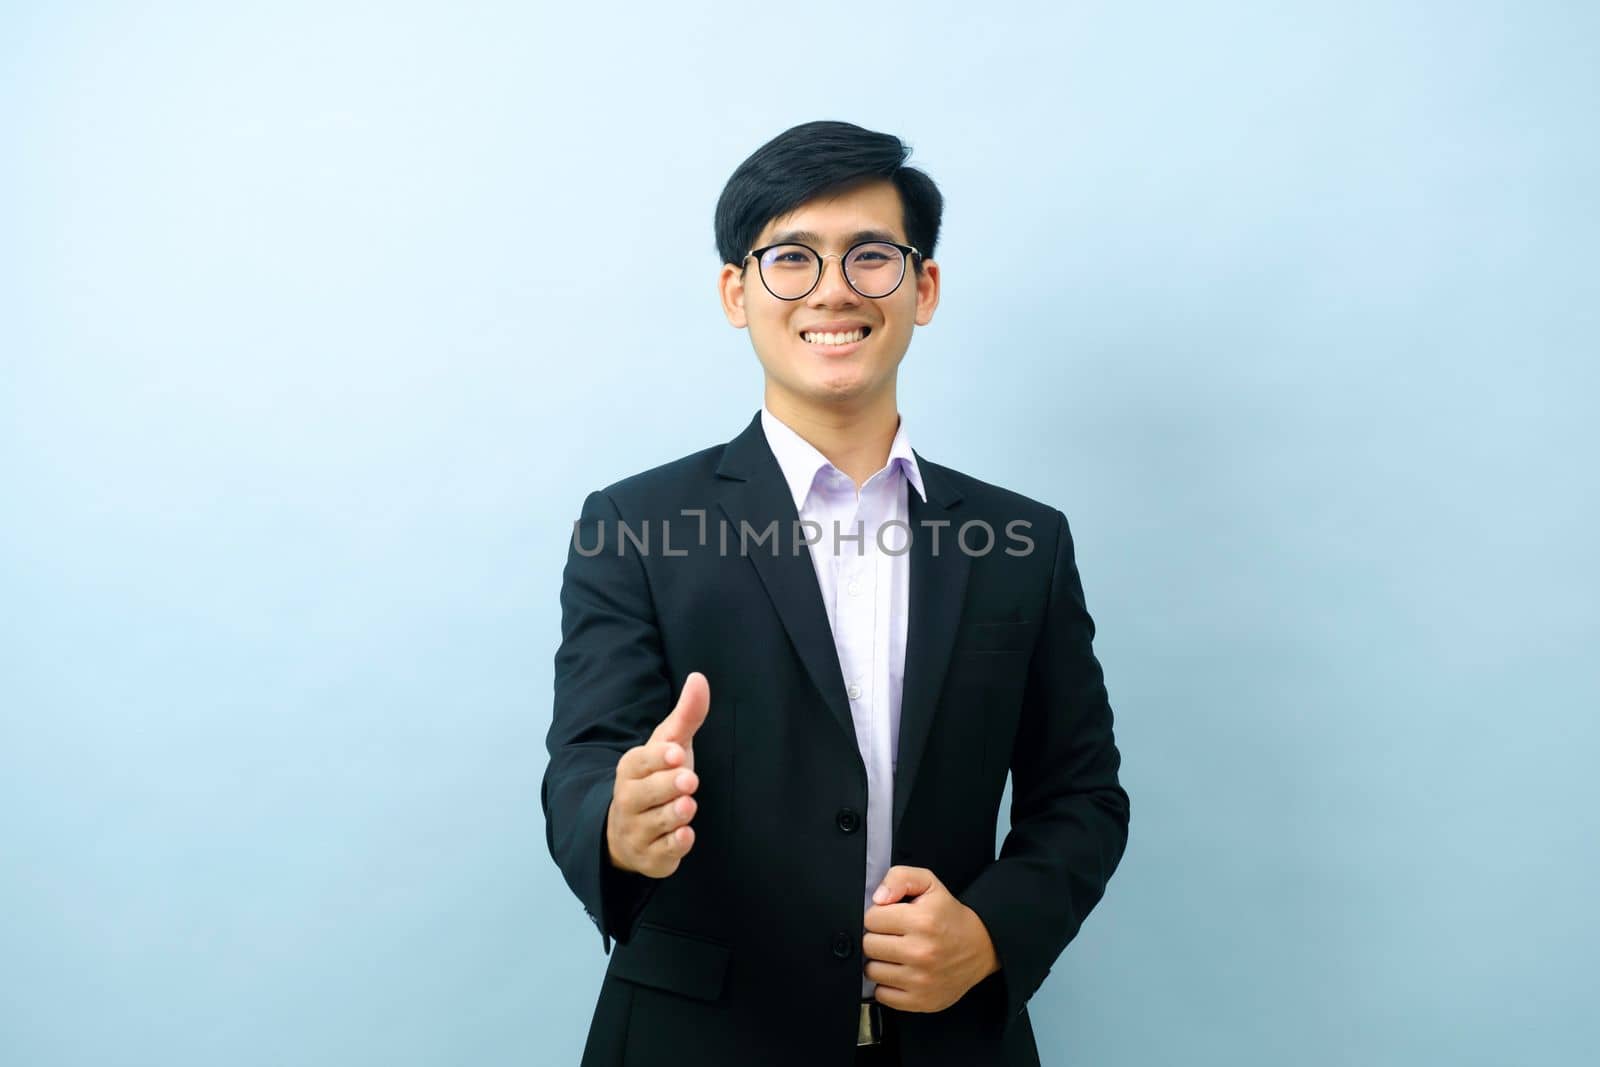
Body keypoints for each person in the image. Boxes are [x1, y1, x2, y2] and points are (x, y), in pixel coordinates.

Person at [543, 119, 1130, 1067]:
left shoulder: (1024, 541)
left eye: (871, 256)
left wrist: (989, 933)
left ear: (922, 286)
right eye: (791, 257)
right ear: (738, 292)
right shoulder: (634, 522)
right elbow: (583, 761)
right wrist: (618, 820)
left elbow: (1084, 795)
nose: (832, 290)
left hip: (951, 1045)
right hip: (697, 1039)